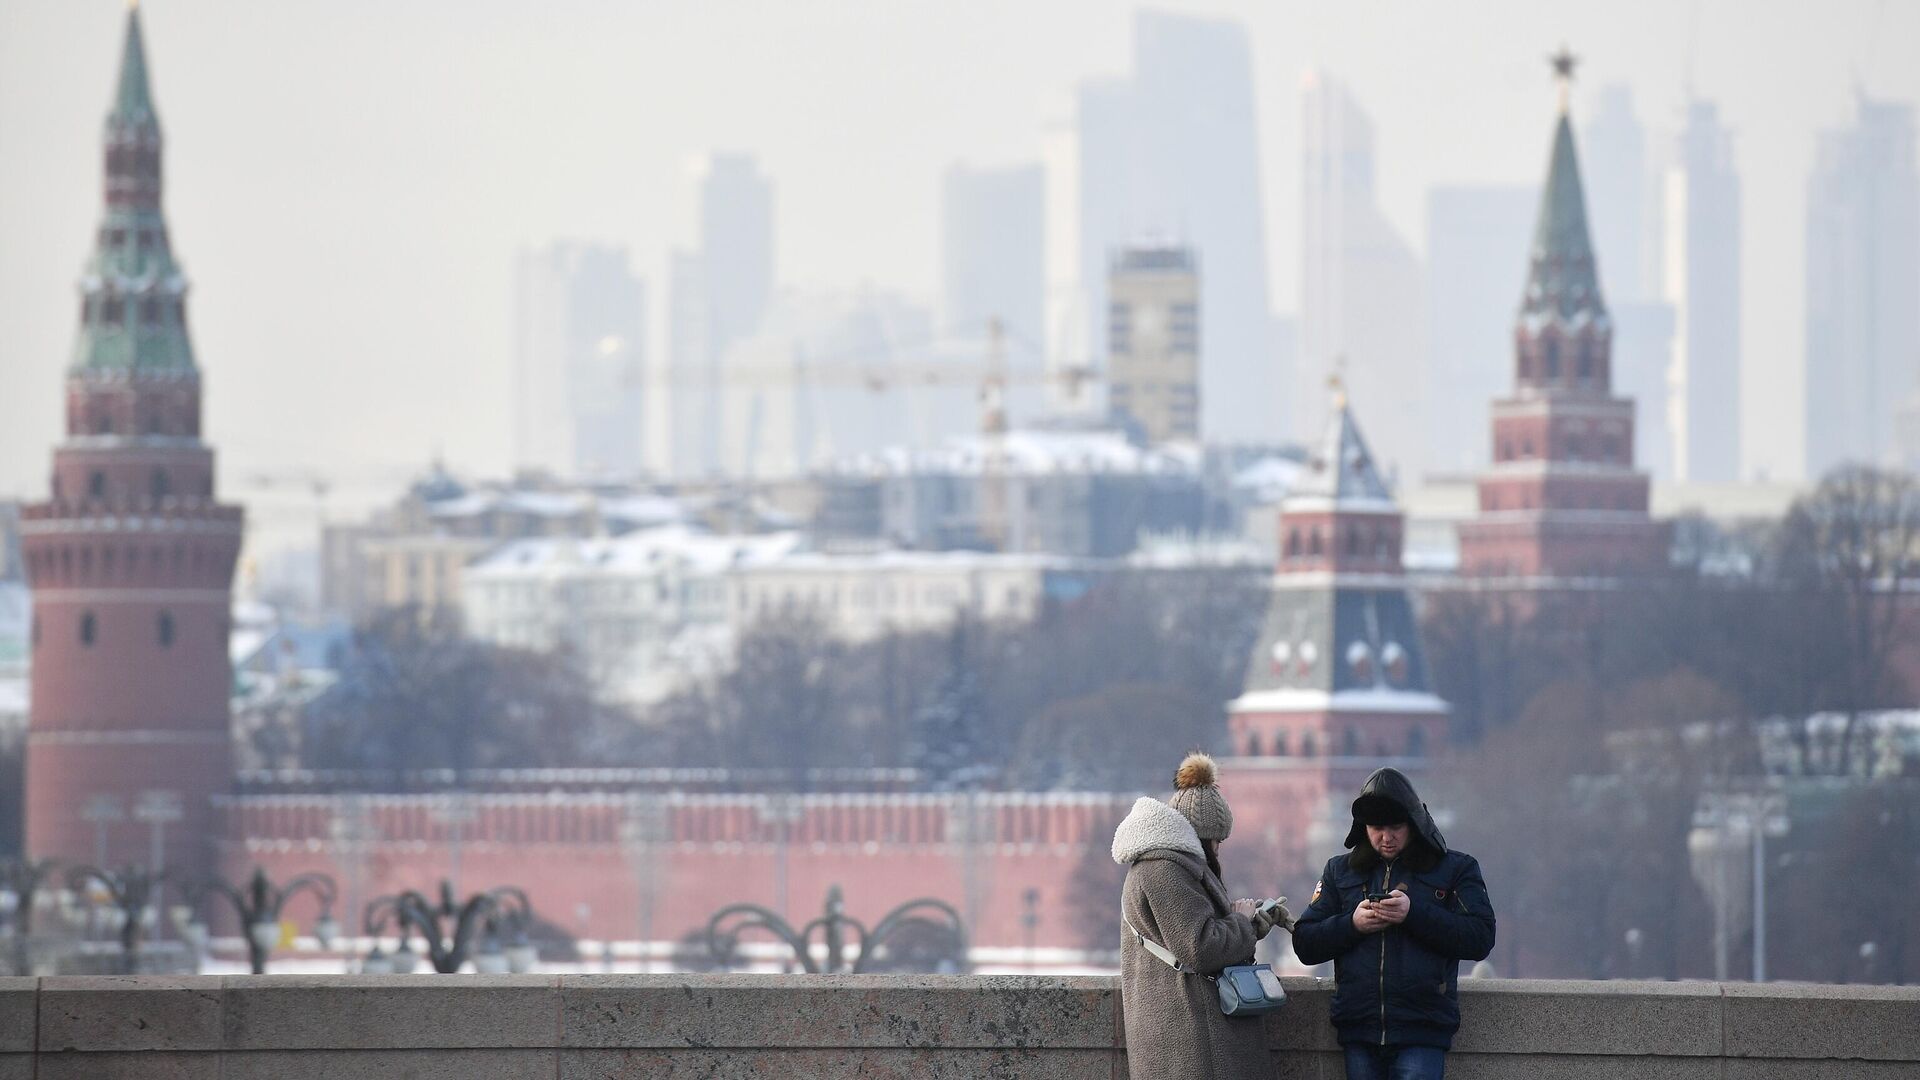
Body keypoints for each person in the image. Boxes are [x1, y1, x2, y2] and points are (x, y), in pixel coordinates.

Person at [1292, 767, 1495, 1080]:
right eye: (1376, 827)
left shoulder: (1456, 868)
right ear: (1363, 827)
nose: (1386, 837)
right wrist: (1353, 924)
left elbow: (1481, 936)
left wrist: (1412, 914)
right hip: (1359, 1028)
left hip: (1423, 1029)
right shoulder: (1339, 871)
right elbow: (1305, 942)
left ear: (1414, 823)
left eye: (1396, 827)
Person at [1111, 752, 1292, 1079]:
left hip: (1192, 1035)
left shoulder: (1172, 866)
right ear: (1201, 836)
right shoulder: (1164, 870)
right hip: (1190, 1038)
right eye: (1217, 841)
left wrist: (1251, 923)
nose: (1219, 849)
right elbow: (1201, 948)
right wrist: (1240, 921)